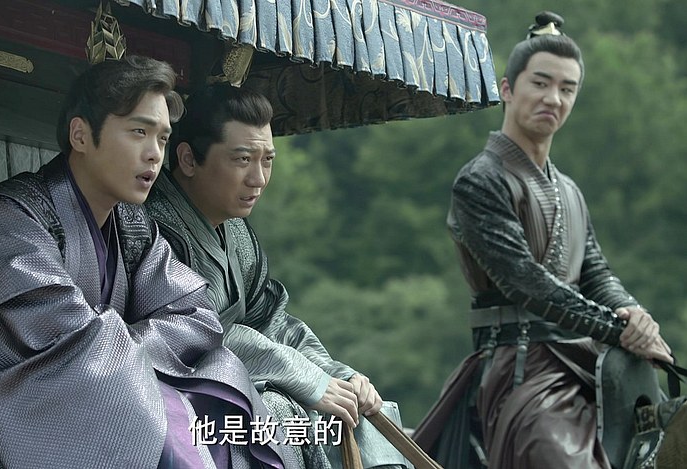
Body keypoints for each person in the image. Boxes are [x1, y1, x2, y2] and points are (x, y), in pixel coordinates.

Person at [0, 56, 295, 469]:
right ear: (80, 135)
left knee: (216, 396)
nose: (154, 154)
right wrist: (119, 351)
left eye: (163, 138)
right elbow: (68, 354)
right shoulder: (10, 223)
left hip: (79, 407)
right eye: (138, 132)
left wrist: (113, 347)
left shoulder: (132, 227)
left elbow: (196, 318)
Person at [411, 11, 673, 469]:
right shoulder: (480, 180)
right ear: (507, 89)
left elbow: (596, 274)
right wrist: (620, 332)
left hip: (590, 364)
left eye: (567, 89)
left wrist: (636, 316)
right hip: (522, 369)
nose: (554, 98)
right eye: (541, 83)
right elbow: (526, 283)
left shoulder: (569, 189)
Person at [145, 84, 407, 468]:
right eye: (242, 159)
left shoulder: (236, 231)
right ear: (187, 159)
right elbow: (197, 334)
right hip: (171, 401)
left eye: (267, 160)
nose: (258, 178)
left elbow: (272, 322)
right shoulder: (155, 228)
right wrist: (303, 378)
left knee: (360, 407)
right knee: (282, 411)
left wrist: (336, 375)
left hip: (234, 381)